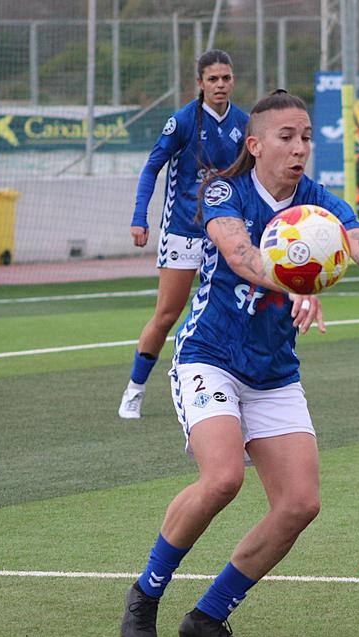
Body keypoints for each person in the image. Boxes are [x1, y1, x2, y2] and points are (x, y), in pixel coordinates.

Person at [120, 89, 359, 637]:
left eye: (307, 138)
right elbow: (241, 255)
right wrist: (298, 281)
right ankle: (147, 591)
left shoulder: (319, 203)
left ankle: (208, 616)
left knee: (299, 504)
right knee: (222, 479)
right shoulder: (223, 189)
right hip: (209, 355)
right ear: (255, 143)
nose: (299, 149)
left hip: (274, 372)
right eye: (287, 137)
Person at [118, 50, 250, 419]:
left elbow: (249, 178)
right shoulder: (182, 122)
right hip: (182, 233)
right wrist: (139, 218)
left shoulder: (244, 122)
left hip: (224, 233)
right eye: (213, 79)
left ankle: (231, 390)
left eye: (226, 78)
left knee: (235, 312)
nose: (221, 85)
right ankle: (135, 389)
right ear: (200, 83)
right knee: (167, 313)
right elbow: (151, 169)